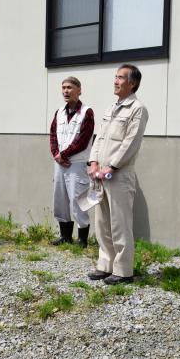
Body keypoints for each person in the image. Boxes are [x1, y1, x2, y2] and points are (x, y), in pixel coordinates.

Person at [87, 64, 149, 285]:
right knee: (102, 221)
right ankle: (105, 264)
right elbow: (99, 138)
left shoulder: (137, 109)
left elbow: (130, 143)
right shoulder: (112, 107)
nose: (115, 81)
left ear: (132, 83)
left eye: (120, 78)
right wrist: (93, 162)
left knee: (119, 223)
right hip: (100, 174)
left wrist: (111, 167)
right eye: (115, 77)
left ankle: (123, 271)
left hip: (119, 175)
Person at [49, 76, 95, 247]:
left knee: (78, 199)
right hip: (59, 163)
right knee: (60, 199)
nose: (65, 91)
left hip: (77, 163)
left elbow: (83, 140)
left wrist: (64, 155)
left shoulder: (87, 112)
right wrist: (56, 155)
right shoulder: (59, 112)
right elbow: (53, 135)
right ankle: (65, 236)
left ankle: (82, 239)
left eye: (69, 87)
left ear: (79, 90)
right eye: (63, 88)